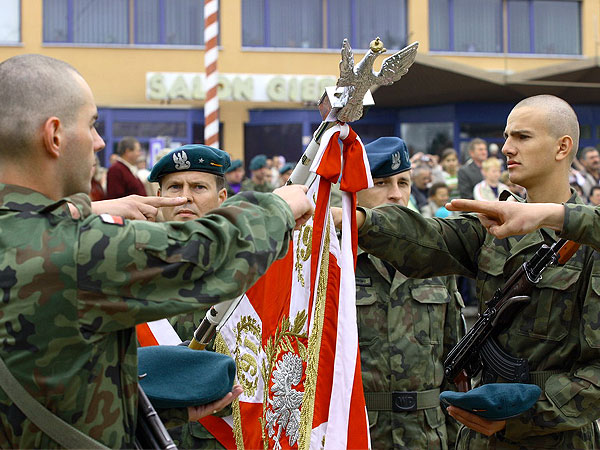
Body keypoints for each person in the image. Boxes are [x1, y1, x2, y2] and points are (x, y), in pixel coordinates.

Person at [0, 54, 313, 449]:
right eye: (93, 124)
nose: (99, 142)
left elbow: (55, 380)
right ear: (55, 135)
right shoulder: (78, 248)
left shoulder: (34, 234)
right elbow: (203, 254)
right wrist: (278, 207)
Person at [350, 95, 600, 449]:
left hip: (557, 438)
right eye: (506, 136)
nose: (507, 148)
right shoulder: (492, 226)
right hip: (482, 437)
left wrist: (519, 415)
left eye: (522, 137)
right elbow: (427, 237)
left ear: (562, 147)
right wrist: (357, 219)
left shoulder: (589, 239)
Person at [355, 137, 463, 450]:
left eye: (404, 182)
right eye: (381, 182)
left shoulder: (436, 258)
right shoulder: (337, 261)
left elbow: (455, 361)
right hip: (362, 430)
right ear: (355, 190)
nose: (396, 194)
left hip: (428, 434)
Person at [148, 144, 234, 449]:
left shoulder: (247, 269)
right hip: (149, 435)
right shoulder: (130, 267)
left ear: (221, 198)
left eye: (198, 186)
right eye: (174, 187)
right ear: (158, 197)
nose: (185, 196)